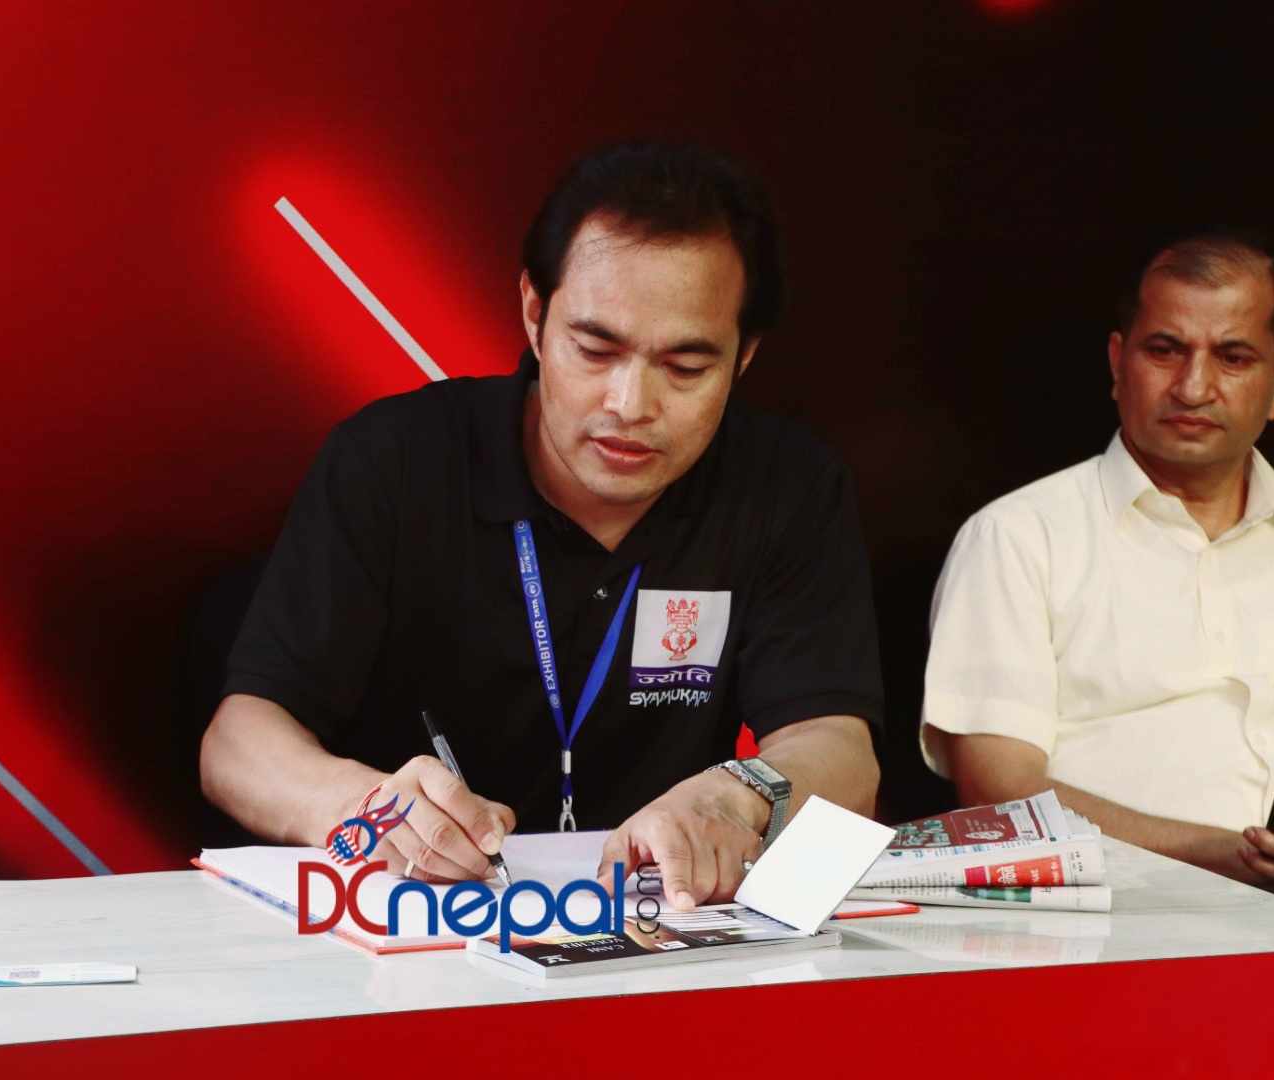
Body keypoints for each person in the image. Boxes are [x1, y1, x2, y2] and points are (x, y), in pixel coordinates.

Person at [201, 142, 883, 911]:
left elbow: (840, 750)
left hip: (659, 922)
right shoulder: (395, 459)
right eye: (595, 349)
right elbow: (238, 742)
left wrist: (738, 794)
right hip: (412, 916)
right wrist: (367, 806)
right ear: (534, 313)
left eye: (686, 368)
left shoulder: (786, 485)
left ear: (744, 356)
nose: (630, 404)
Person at [922, 233, 1274, 912]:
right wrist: (1239, 859)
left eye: (1233, 357)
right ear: (1118, 363)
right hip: (1113, 928)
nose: (1194, 387)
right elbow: (999, 797)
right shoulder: (1020, 538)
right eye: (1165, 350)